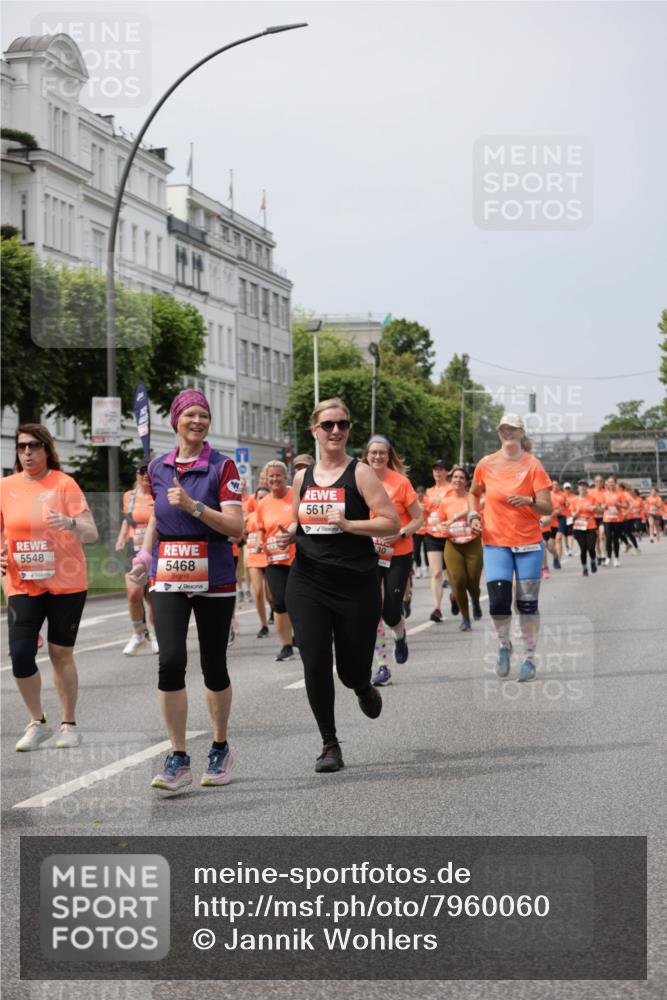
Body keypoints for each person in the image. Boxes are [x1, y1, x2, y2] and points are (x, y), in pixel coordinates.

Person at [127, 389, 242, 793]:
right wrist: (144, 557)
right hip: (169, 575)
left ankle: (220, 747)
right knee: (171, 661)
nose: (197, 421)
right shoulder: (158, 467)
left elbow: (236, 527)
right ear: (175, 420)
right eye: (190, 414)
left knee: (213, 665)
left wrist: (194, 506)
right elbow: (157, 518)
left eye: (203, 415)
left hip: (215, 574)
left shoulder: (223, 466)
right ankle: (177, 756)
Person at [280, 398, 399, 773]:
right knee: (315, 660)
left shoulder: (360, 473)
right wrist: (289, 533)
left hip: (355, 583)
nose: (335, 431)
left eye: (342, 425)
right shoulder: (302, 477)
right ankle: (329, 744)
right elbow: (300, 520)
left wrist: (349, 524)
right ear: (314, 430)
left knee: (350, 670)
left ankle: (362, 685)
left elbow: (391, 522)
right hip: (308, 580)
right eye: (328, 425)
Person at [0, 424, 98, 751]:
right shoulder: (5, 487)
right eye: (21, 447)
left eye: (34, 446)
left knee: (60, 653)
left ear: (46, 449)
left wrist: (70, 523)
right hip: (22, 583)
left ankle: (68, 724)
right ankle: (37, 721)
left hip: (66, 583)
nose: (27, 452)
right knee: (20, 653)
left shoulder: (64, 484)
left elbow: (91, 533)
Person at [468, 413, 552, 682]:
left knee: (527, 605)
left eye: (513, 429)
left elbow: (547, 507)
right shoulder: (486, 463)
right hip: (496, 543)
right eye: (503, 428)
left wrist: (529, 500)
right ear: (498, 432)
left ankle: (529, 658)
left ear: (521, 432)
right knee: (498, 603)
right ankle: (504, 645)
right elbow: (474, 493)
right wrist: (473, 516)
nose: (507, 432)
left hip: (528, 543)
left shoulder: (533, 465)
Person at [362, 435, 422, 685]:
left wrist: (400, 533)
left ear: (389, 456)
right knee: (372, 610)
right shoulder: (359, 480)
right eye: (373, 453)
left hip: (398, 553)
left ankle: (400, 635)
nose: (377, 457)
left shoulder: (400, 482)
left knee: (390, 612)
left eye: (382, 453)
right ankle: (383, 667)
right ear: (366, 456)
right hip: (369, 554)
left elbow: (418, 518)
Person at [115, 462, 158, 655]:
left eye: (148, 472)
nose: (145, 476)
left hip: (154, 550)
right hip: (134, 549)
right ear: (137, 475)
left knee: (152, 597)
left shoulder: (158, 494)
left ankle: (155, 635)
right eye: (141, 472)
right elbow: (127, 519)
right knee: (134, 595)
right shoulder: (129, 496)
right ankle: (138, 634)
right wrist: (121, 538)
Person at [256, 461, 296, 661]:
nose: (274, 479)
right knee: (279, 603)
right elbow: (260, 529)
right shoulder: (263, 504)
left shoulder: (295, 495)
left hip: (298, 558)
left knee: (298, 601)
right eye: (271, 476)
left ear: (285, 476)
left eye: (278, 475)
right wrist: (259, 542)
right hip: (274, 560)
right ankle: (286, 645)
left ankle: (304, 637)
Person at [438, 466, 483, 630]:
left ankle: (476, 601)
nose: (458, 480)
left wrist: (457, 518)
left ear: (467, 481)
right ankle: (465, 617)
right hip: (453, 545)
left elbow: (476, 510)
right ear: (451, 480)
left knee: (473, 582)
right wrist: (442, 528)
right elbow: (439, 523)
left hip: (472, 543)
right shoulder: (445, 501)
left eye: (461, 478)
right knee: (458, 581)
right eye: (455, 477)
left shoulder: (473, 498)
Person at [422, 460, 455, 621]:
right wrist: (423, 509)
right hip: (432, 534)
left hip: (450, 535)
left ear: (447, 472)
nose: (437, 472)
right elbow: (425, 512)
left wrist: (443, 503)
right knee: (436, 573)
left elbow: (458, 507)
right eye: (435, 469)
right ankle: (437, 608)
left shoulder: (453, 489)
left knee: (453, 574)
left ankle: (455, 596)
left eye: (441, 469)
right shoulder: (429, 492)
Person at [244, 486, 270, 637]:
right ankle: (263, 625)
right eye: (260, 497)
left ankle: (275, 611)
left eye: (266, 497)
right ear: (255, 499)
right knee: (258, 591)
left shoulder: (272, 514)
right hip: (254, 557)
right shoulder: (250, 517)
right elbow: (242, 535)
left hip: (270, 557)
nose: (263, 500)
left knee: (271, 595)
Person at [569, 480, 598, 576]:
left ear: (587, 488)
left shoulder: (592, 499)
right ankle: (584, 568)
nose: (582, 487)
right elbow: (571, 516)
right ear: (578, 488)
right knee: (583, 548)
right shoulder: (574, 500)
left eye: (584, 486)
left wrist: (594, 508)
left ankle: (593, 561)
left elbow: (598, 509)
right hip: (579, 526)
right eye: (580, 486)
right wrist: (577, 512)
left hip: (590, 525)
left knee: (591, 547)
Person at [601, 475, 626, 566]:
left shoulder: (620, 494)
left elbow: (625, 505)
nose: (611, 484)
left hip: (617, 519)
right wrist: (603, 507)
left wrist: (618, 505)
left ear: (615, 483)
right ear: (607, 483)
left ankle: (616, 558)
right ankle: (608, 557)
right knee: (608, 538)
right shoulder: (604, 494)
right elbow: (601, 506)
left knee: (616, 539)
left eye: (612, 482)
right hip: (607, 519)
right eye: (609, 482)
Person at [412, 485, 427, 578]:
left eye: (421, 495)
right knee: (416, 551)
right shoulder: (413, 503)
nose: (420, 497)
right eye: (418, 495)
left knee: (426, 551)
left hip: (426, 530)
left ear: (424, 494)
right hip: (417, 531)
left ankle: (426, 568)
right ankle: (418, 568)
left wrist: (426, 509)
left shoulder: (427, 502)